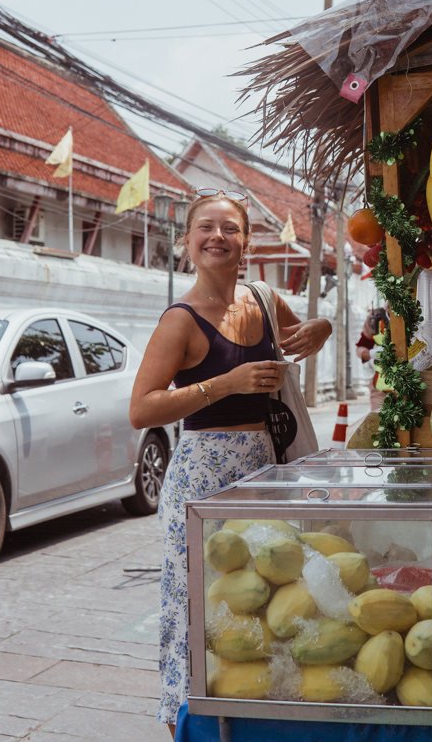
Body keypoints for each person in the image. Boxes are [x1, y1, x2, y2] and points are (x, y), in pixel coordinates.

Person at [129, 189, 332, 737]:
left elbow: (307, 331)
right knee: (197, 605)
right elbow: (141, 407)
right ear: (188, 242)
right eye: (206, 228)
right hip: (202, 478)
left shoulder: (262, 298)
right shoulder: (181, 320)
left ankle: (257, 716)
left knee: (265, 594)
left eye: (230, 228)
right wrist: (226, 384)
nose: (218, 237)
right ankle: (185, 721)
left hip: (265, 472)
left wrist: (322, 328)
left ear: (246, 242)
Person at [356, 306, 389, 411]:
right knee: (379, 420)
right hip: (381, 384)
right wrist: (369, 354)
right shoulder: (376, 318)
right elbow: (362, 345)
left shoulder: (415, 314)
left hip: (409, 382)